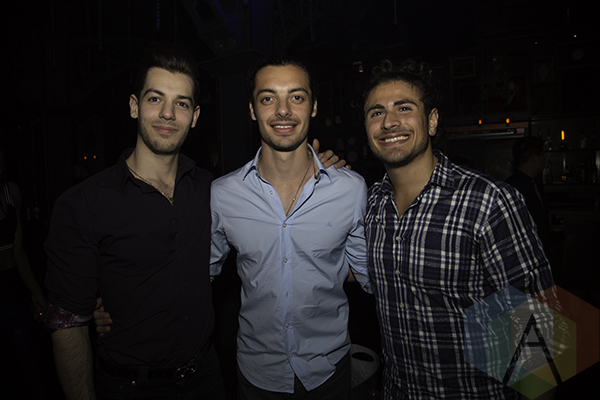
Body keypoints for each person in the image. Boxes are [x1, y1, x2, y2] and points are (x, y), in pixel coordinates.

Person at [362, 59, 554, 399]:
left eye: (404, 108)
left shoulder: (489, 201)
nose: (389, 122)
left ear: (432, 120)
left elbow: (537, 339)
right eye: (376, 112)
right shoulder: (371, 204)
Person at [44, 42, 224, 400]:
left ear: (195, 116)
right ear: (133, 106)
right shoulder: (84, 204)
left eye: (181, 103)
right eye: (155, 99)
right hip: (129, 387)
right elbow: (67, 322)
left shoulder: (211, 190)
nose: (167, 114)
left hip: (206, 378)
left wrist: (319, 166)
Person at [209, 57, 370, 399]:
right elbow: (196, 275)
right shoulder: (223, 195)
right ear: (252, 110)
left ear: (314, 107)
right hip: (257, 375)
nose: (283, 110)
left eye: (296, 97)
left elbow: (369, 274)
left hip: (328, 371)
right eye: (268, 98)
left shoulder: (350, 189)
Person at [0, 148, 48, 399]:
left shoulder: (11, 193)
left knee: (28, 359)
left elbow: (18, 251)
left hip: (10, 284)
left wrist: (37, 293)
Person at [505, 136, 551, 248]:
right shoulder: (511, 188)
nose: (544, 160)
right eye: (543, 156)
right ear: (534, 158)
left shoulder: (535, 183)